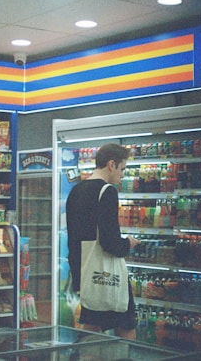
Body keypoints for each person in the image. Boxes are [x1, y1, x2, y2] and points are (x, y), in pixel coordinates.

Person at [66, 143, 141, 339]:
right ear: (111, 164)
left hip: (85, 273)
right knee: (126, 326)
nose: (122, 175)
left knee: (92, 326)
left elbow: (72, 240)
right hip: (107, 275)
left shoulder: (76, 191)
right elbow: (109, 242)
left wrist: (78, 280)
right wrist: (128, 243)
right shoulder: (107, 191)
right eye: (122, 169)